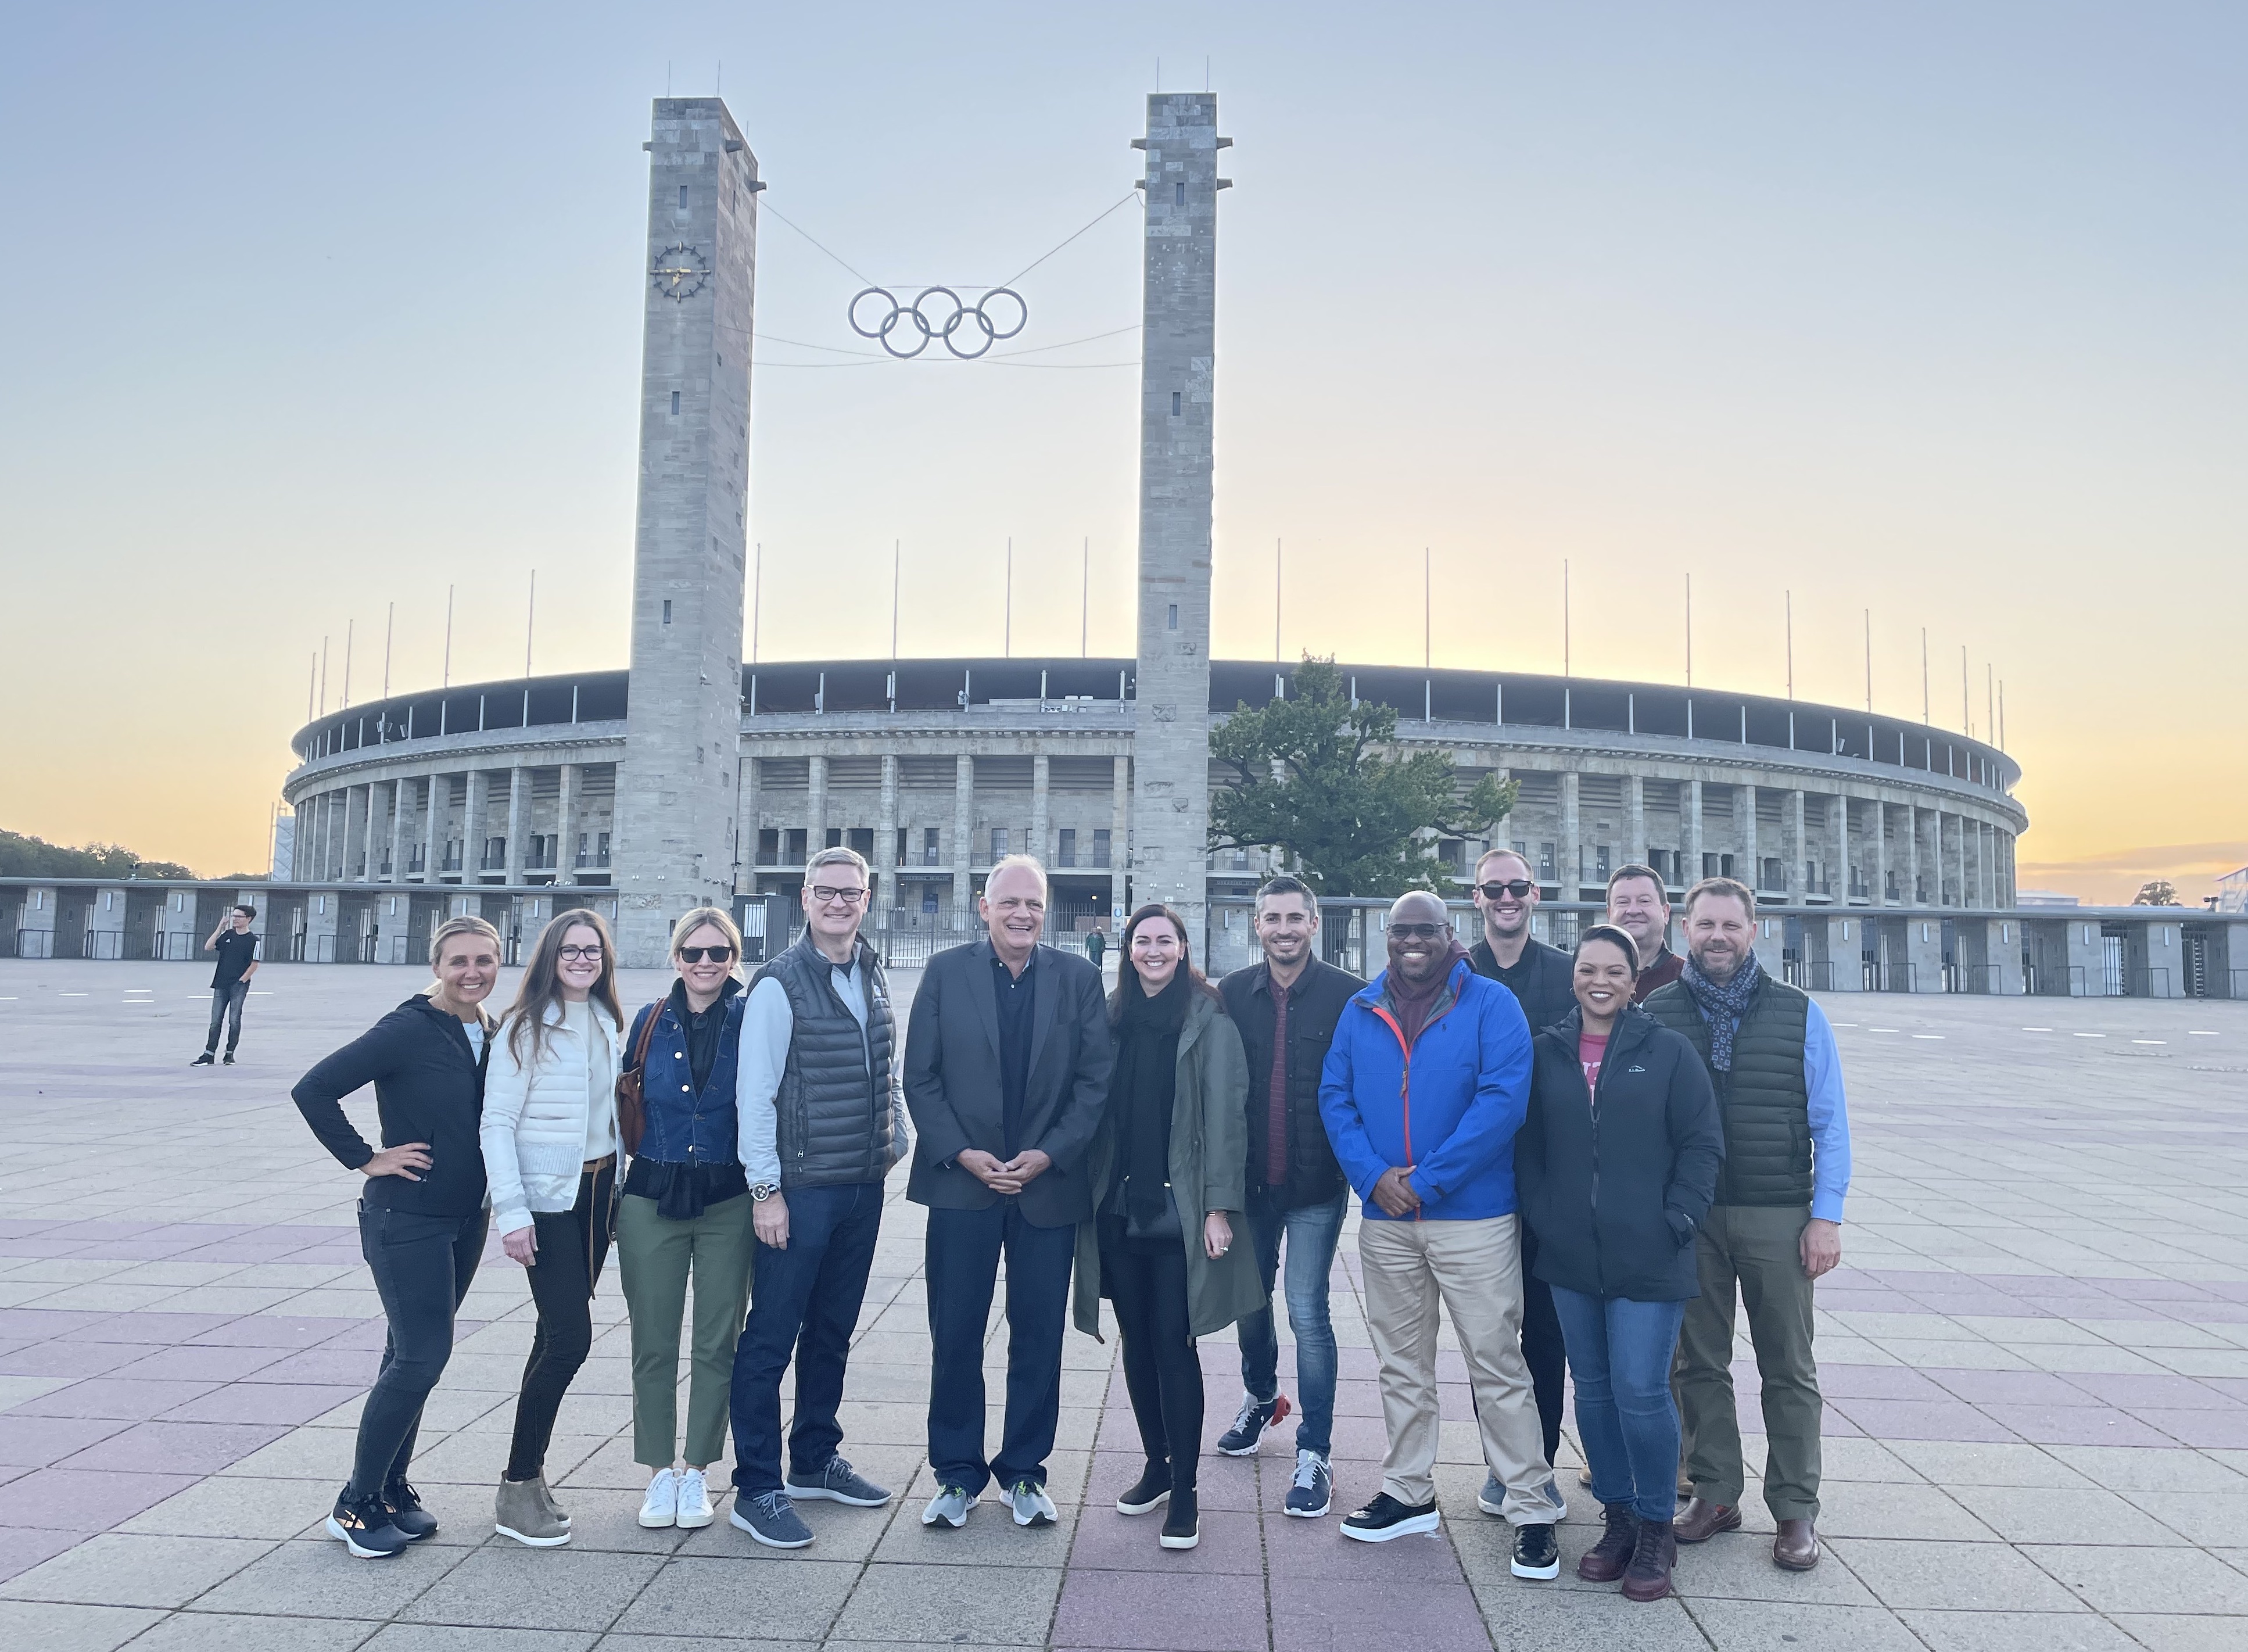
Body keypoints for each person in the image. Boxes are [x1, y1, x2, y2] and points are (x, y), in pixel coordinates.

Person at [1318, 890, 1562, 1574]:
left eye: (1426, 930)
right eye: (1401, 932)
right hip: (1386, 1222)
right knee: (1401, 1364)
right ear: (1386, 938)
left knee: (1496, 1362)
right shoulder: (1359, 1008)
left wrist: (1423, 1180)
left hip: (1472, 1218)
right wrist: (1372, 1176)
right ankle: (1407, 1489)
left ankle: (1531, 1503)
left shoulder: (1491, 1004)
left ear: (1449, 935)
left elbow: (1501, 1103)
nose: (1413, 942)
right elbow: (1333, 1096)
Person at [1642, 878, 1850, 1572]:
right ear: (1684, 930)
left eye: (1730, 924)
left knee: (1787, 1365)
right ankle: (1714, 1492)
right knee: (1695, 1361)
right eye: (1705, 924)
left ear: (1753, 929)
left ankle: (1794, 1508)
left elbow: (1830, 1122)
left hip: (1777, 1211)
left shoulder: (1798, 1013)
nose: (1717, 936)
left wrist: (1825, 1215)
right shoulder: (1659, 1009)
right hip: (1691, 1215)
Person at [904, 855, 1113, 1531]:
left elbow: (1093, 1082)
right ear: (983, 905)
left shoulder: (1077, 978)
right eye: (1010, 901)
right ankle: (956, 1473)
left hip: (1044, 1186)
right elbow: (920, 1077)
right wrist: (964, 1153)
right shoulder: (945, 973)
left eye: (1034, 902)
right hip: (963, 1186)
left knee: (1038, 1337)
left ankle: (1024, 1470)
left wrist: (1048, 1153)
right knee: (956, 1333)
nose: (1023, 913)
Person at [1516, 924, 1723, 1603]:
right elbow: (1528, 1147)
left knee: (1640, 1389)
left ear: (1634, 982)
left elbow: (1701, 1143)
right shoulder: (1546, 1051)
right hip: (1572, 1255)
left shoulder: (1666, 1051)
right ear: (1572, 976)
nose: (1598, 980)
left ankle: (1657, 1524)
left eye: (1613, 970)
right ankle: (1617, 1518)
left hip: (1649, 1254)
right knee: (1595, 1390)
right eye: (1586, 969)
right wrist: (1546, 1217)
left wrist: (1677, 1219)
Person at [293, 915, 503, 1558]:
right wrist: (365, 1156)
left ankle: (390, 1488)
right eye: (459, 960)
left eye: (485, 960)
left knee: (409, 1353)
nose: (473, 972)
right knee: (420, 1357)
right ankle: (354, 1504)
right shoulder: (408, 1027)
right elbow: (315, 1087)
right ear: (436, 964)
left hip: (467, 1215)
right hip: (406, 1217)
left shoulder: (487, 1027)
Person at [726, 849, 908, 1547]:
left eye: (851, 892)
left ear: (867, 898)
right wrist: (765, 1190)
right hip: (800, 1190)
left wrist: (896, 1138)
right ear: (804, 898)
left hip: (861, 1185)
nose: (838, 902)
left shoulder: (872, 967)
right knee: (771, 1336)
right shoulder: (779, 982)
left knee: (831, 1330)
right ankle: (757, 1487)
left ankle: (812, 1457)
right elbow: (756, 1092)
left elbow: (885, 1064)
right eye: (826, 891)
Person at [1074, 903, 1262, 1551]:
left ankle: (1185, 1488)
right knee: (1135, 1339)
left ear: (1183, 949)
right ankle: (1155, 1464)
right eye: (1141, 940)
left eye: (1165, 940)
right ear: (1127, 950)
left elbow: (1226, 1119)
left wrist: (1218, 1207)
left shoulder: (1208, 1019)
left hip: (1178, 1209)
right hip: (1118, 1205)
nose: (1152, 950)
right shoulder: (1110, 1017)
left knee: (1173, 1339)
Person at [1214, 876, 1361, 1518]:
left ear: (1313, 922)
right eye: (1271, 917)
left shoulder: (1348, 996)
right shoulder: (1229, 995)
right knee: (1249, 1302)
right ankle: (1260, 1396)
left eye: (1294, 917)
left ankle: (1315, 1450)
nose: (1283, 927)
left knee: (1307, 1312)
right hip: (1249, 1187)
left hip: (1314, 1188)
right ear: (1256, 924)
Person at [479, 906, 626, 1547]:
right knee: (570, 1339)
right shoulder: (524, 1027)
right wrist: (511, 1212)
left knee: (551, 1335)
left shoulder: (606, 1019)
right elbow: (496, 1124)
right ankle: (516, 1484)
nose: (582, 959)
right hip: (548, 1200)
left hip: (598, 1194)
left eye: (592, 950)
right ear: (548, 957)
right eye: (569, 950)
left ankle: (528, 1475)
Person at [616, 908, 755, 1533]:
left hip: (728, 1197)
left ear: (733, 957)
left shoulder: (751, 1018)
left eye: (718, 953)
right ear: (676, 958)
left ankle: (696, 1467)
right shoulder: (649, 1020)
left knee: (717, 1339)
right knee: (653, 1338)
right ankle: (656, 1469)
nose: (705, 964)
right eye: (694, 953)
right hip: (651, 1195)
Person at [1464, 849, 1572, 1517]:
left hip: (1551, 1177)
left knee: (1546, 1332)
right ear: (1475, 898)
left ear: (1535, 893)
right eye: (1493, 888)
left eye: (1517, 886)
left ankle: (1543, 1464)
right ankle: (1501, 1463)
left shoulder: (1565, 973)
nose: (1506, 897)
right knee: (1488, 1332)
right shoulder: (1458, 971)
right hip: (1477, 1181)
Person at [192, 905, 260, 1066]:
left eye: (239, 916)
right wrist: (220, 928)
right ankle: (209, 1053)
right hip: (221, 983)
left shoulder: (254, 940)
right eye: (234, 916)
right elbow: (209, 947)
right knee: (215, 1020)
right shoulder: (228, 935)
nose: (235, 919)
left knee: (234, 1020)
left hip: (238, 985)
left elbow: (254, 964)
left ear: (248, 919)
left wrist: (242, 980)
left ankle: (229, 1053)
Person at [1607, 864, 1684, 1001]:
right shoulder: (1588, 979)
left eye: (1644, 901)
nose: (1633, 910)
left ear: (1665, 913)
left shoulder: (1689, 979)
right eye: (1623, 902)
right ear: (1610, 913)